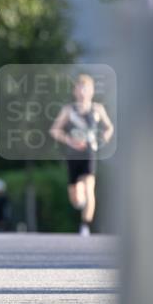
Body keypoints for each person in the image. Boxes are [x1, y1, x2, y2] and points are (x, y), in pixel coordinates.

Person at [49, 73, 114, 236]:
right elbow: (54, 130)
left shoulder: (97, 109)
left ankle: (85, 225)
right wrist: (69, 140)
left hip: (89, 153)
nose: (83, 92)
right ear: (75, 91)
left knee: (89, 188)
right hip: (72, 155)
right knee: (76, 198)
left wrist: (105, 136)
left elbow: (109, 127)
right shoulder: (68, 110)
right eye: (80, 88)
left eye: (86, 89)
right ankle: (81, 203)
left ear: (91, 91)